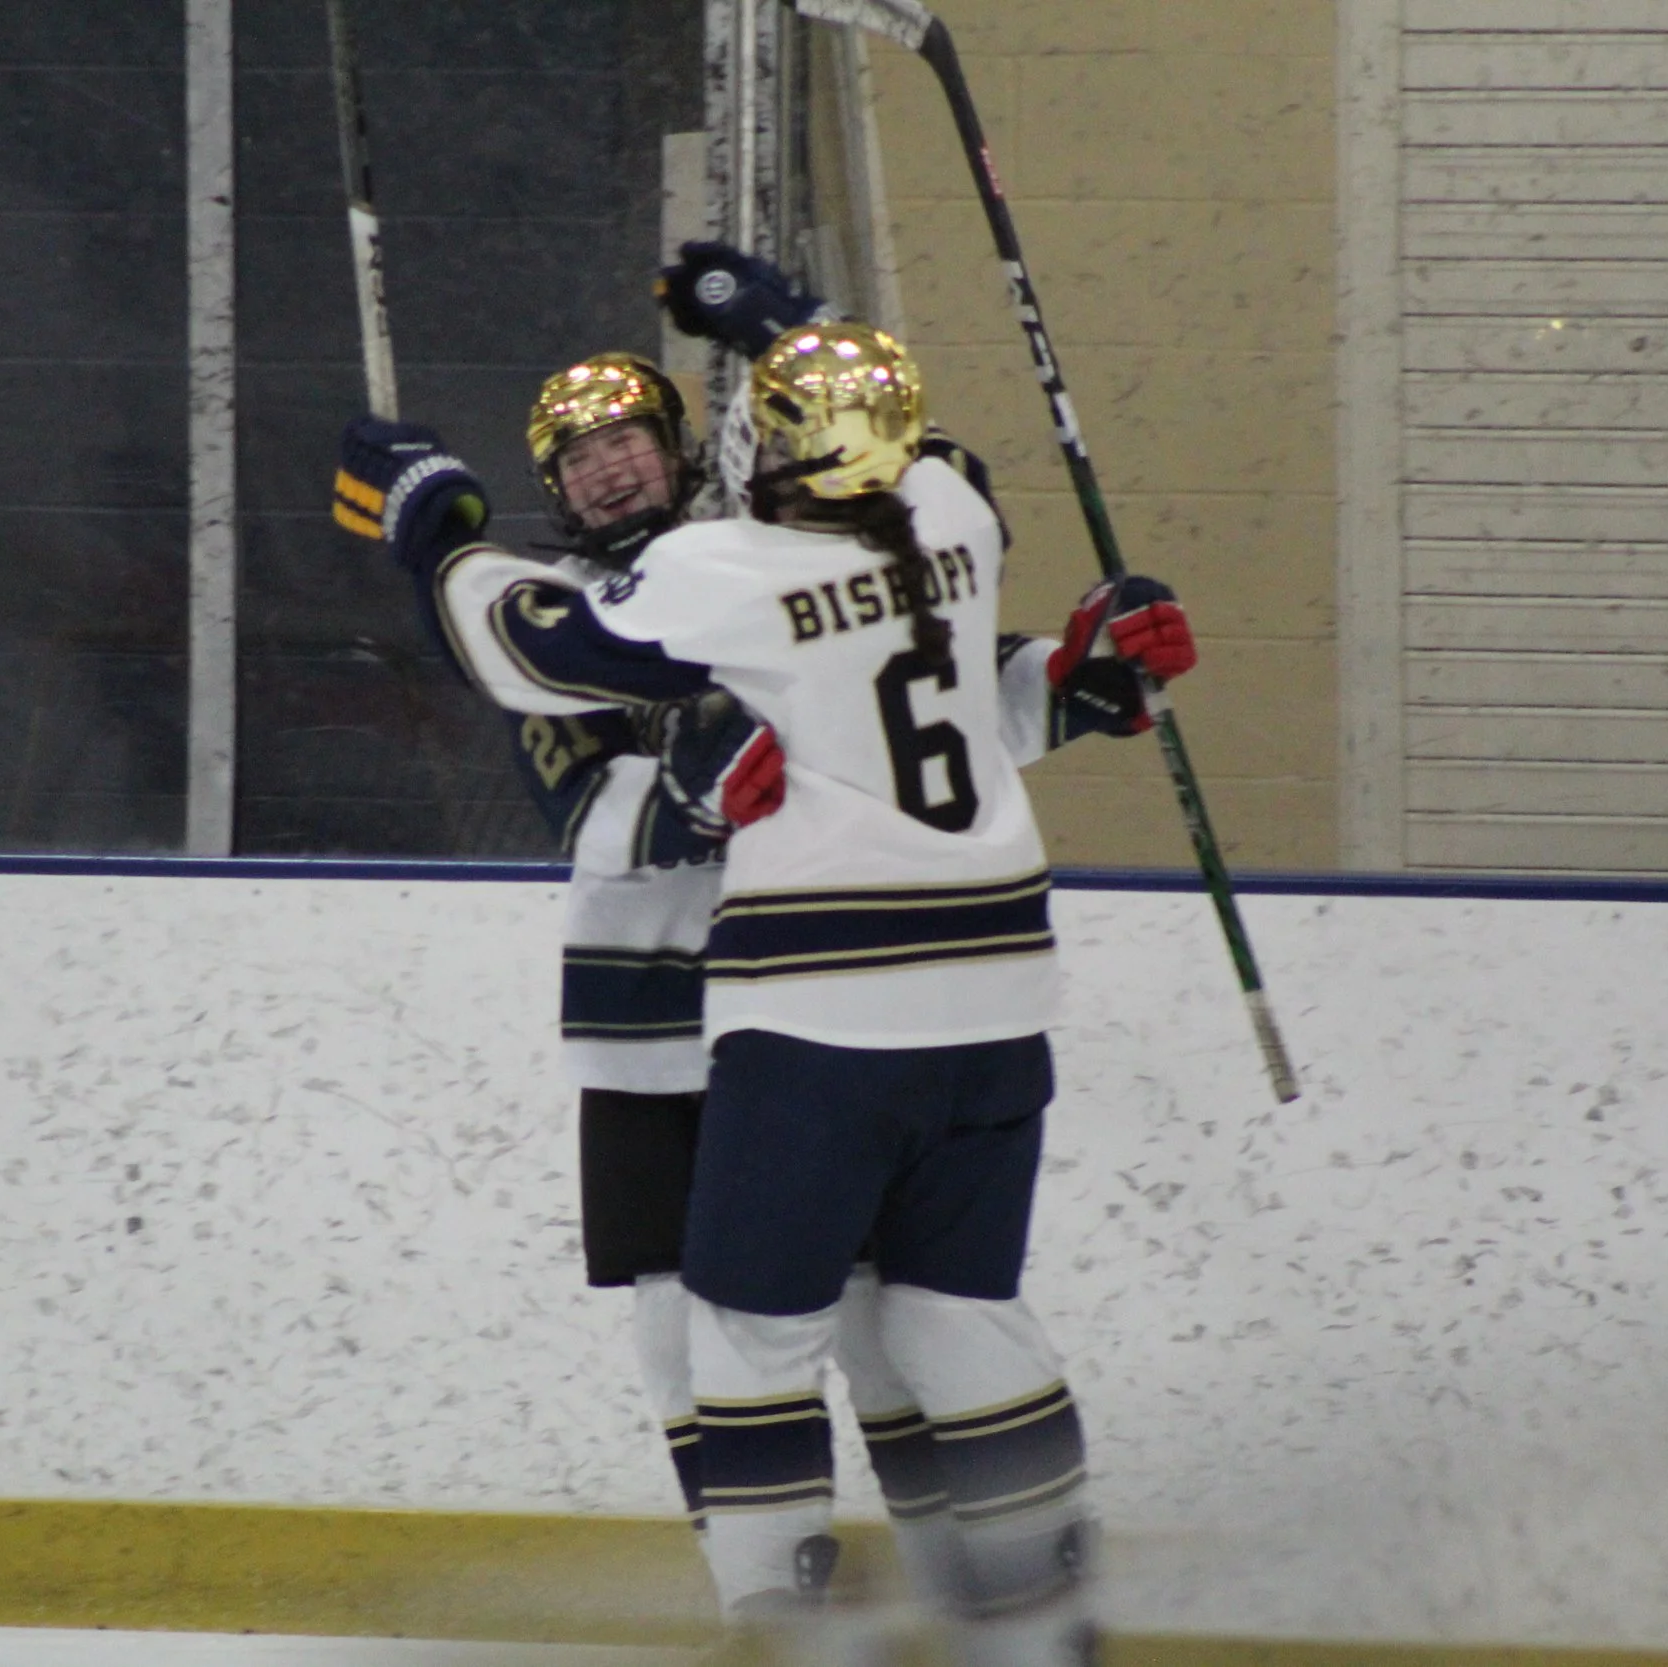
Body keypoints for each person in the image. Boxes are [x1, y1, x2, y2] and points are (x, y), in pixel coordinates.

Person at [338, 247, 1198, 1667]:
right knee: (699, 1335)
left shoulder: (711, 569)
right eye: (576, 451)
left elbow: (941, 707)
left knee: (862, 1333)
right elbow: (596, 810)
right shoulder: (681, 569)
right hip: (660, 1027)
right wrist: (680, 792)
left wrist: (1069, 680)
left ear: (693, 444)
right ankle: (805, 1610)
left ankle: (951, 1599)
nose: (608, 467)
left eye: (628, 435)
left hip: (800, 1017)